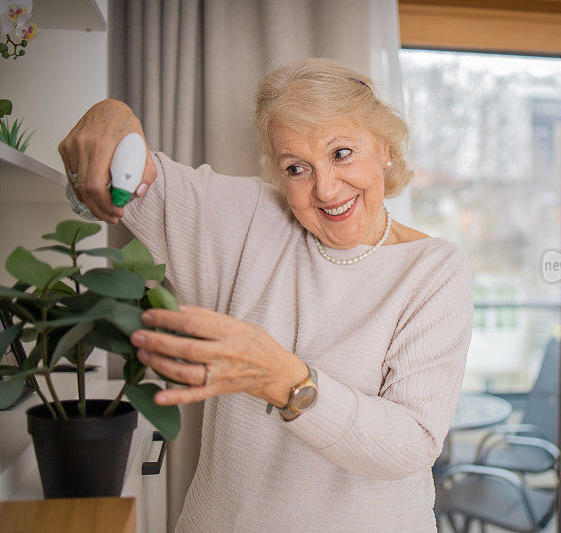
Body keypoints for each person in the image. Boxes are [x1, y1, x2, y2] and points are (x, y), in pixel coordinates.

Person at [59, 58, 473, 532]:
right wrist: (111, 115)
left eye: (341, 153)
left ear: (385, 148)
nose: (325, 188)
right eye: (297, 168)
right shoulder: (253, 217)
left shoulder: (434, 269)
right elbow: (116, 182)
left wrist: (285, 380)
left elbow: (411, 443)